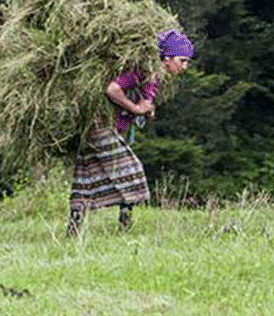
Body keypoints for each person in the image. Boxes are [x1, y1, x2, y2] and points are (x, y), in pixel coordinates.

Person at [67, 30, 193, 235]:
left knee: (85, 179)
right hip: (97, 125)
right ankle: (124, 229)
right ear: (167, 57)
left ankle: (73, 231)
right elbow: (112, 89)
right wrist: (134, 109)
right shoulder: (141, 70)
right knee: (132, 171)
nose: (184, 66)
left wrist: (146, 109)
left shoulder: (154, 77)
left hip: (107, 127)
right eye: (182, 60)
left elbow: (146, 101)